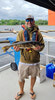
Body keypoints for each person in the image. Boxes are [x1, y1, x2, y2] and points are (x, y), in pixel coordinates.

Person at [14, 15, 45, 100]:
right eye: (27, 20)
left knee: (34, 76)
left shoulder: (38, 33)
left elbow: (42, 45)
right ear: (25, 22)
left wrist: (39, 48)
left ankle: (31, 90)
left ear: (34, 22)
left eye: (31, 20)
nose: (29, 22)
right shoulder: (21, 33)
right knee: (21, 77)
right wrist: (16, 49)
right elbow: (17, 44)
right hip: (24, 60)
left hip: (35, 60)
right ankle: (21, 91)